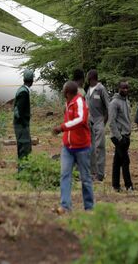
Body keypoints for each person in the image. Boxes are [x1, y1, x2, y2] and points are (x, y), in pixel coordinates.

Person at [53, 81, 94, 212]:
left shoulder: (79, 102)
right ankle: (65, 206)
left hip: (82, 147)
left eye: (63, 91)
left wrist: (62, 127)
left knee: (85, 178)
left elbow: (81, 119)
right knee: (65, 175)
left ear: (67, 93)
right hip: (68, 147)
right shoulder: (68, 102)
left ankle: (89, 207)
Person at [85, 69, 110, 181]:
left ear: (91, 78)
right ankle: (92, 172)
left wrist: (104, 122)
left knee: (99, 147)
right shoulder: (88, 90)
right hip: (89, 122)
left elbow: (108, 108)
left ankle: (100, 174)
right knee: (91, 147)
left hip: (99, 121)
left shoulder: (101, 89)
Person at [109, 81, 133, 192]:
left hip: (125, 135)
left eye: (127, 88)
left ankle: (115, 186)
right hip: (119, 136)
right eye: (123, 88)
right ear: (118, 88)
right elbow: (111, 122)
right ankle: (129, 186)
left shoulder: (127, 101)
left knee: (117, 161)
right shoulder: (114, 102)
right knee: (125, 161)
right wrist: (119, 138)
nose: (125, 90)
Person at [14, 70, 34, 166]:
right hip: (21, 125)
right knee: (24, 146)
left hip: (20, 124)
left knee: (23, 145)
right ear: (32, 81)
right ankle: (23, 169)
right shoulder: (24, 93)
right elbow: (19, 111)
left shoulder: (22, 90)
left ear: (23, 79)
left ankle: (23, 168)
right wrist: (24, 124)